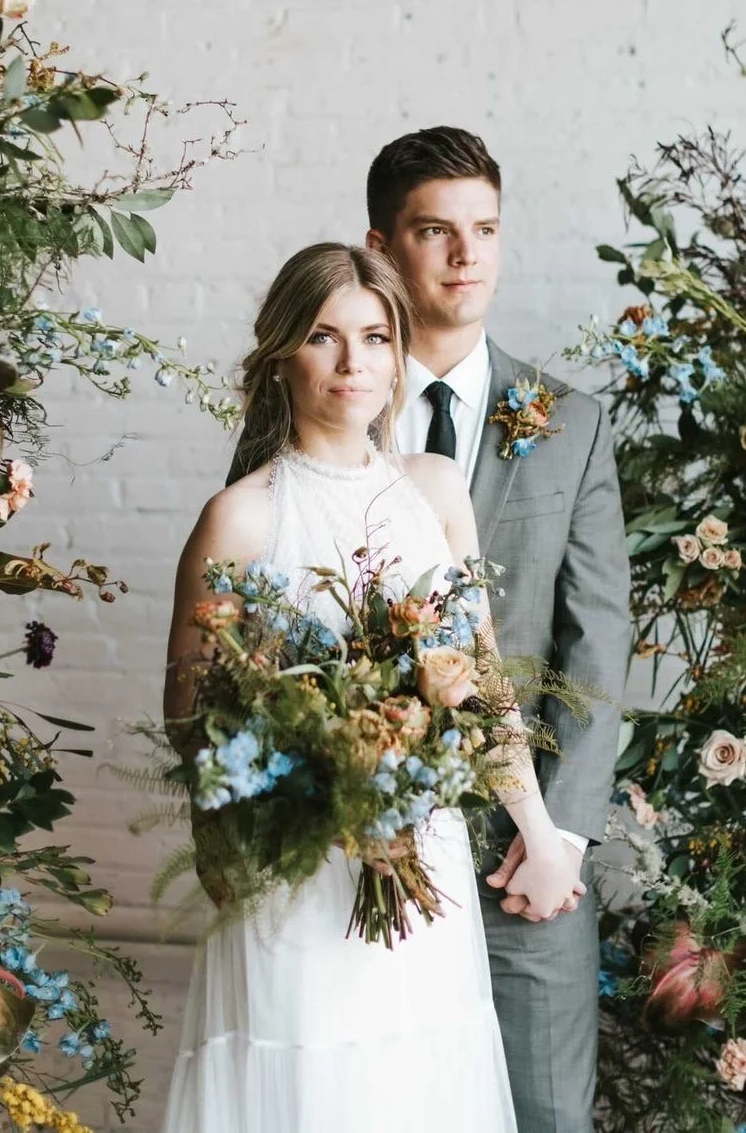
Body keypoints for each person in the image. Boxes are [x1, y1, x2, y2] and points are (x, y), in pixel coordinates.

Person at [164, 243, 583, 1133]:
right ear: (282, 353)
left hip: (422, 861)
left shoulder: (432, 487)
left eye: (375, 337)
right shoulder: (241, 514)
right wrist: (288, 796)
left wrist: (538, 831)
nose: (354, 364)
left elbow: (481, 677)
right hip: (298, 867)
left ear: (398, 351)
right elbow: (190, 711)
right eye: (324, 337)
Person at [363, 127, 632, 1132]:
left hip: (525, 853)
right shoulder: (317, 407)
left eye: (485, 230)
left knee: (547, 1113)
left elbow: (598, 642)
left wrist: (558, 831)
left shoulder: (571, 421)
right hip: (366, 843)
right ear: (383, 245)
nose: (468, 256)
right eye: (436, 232)